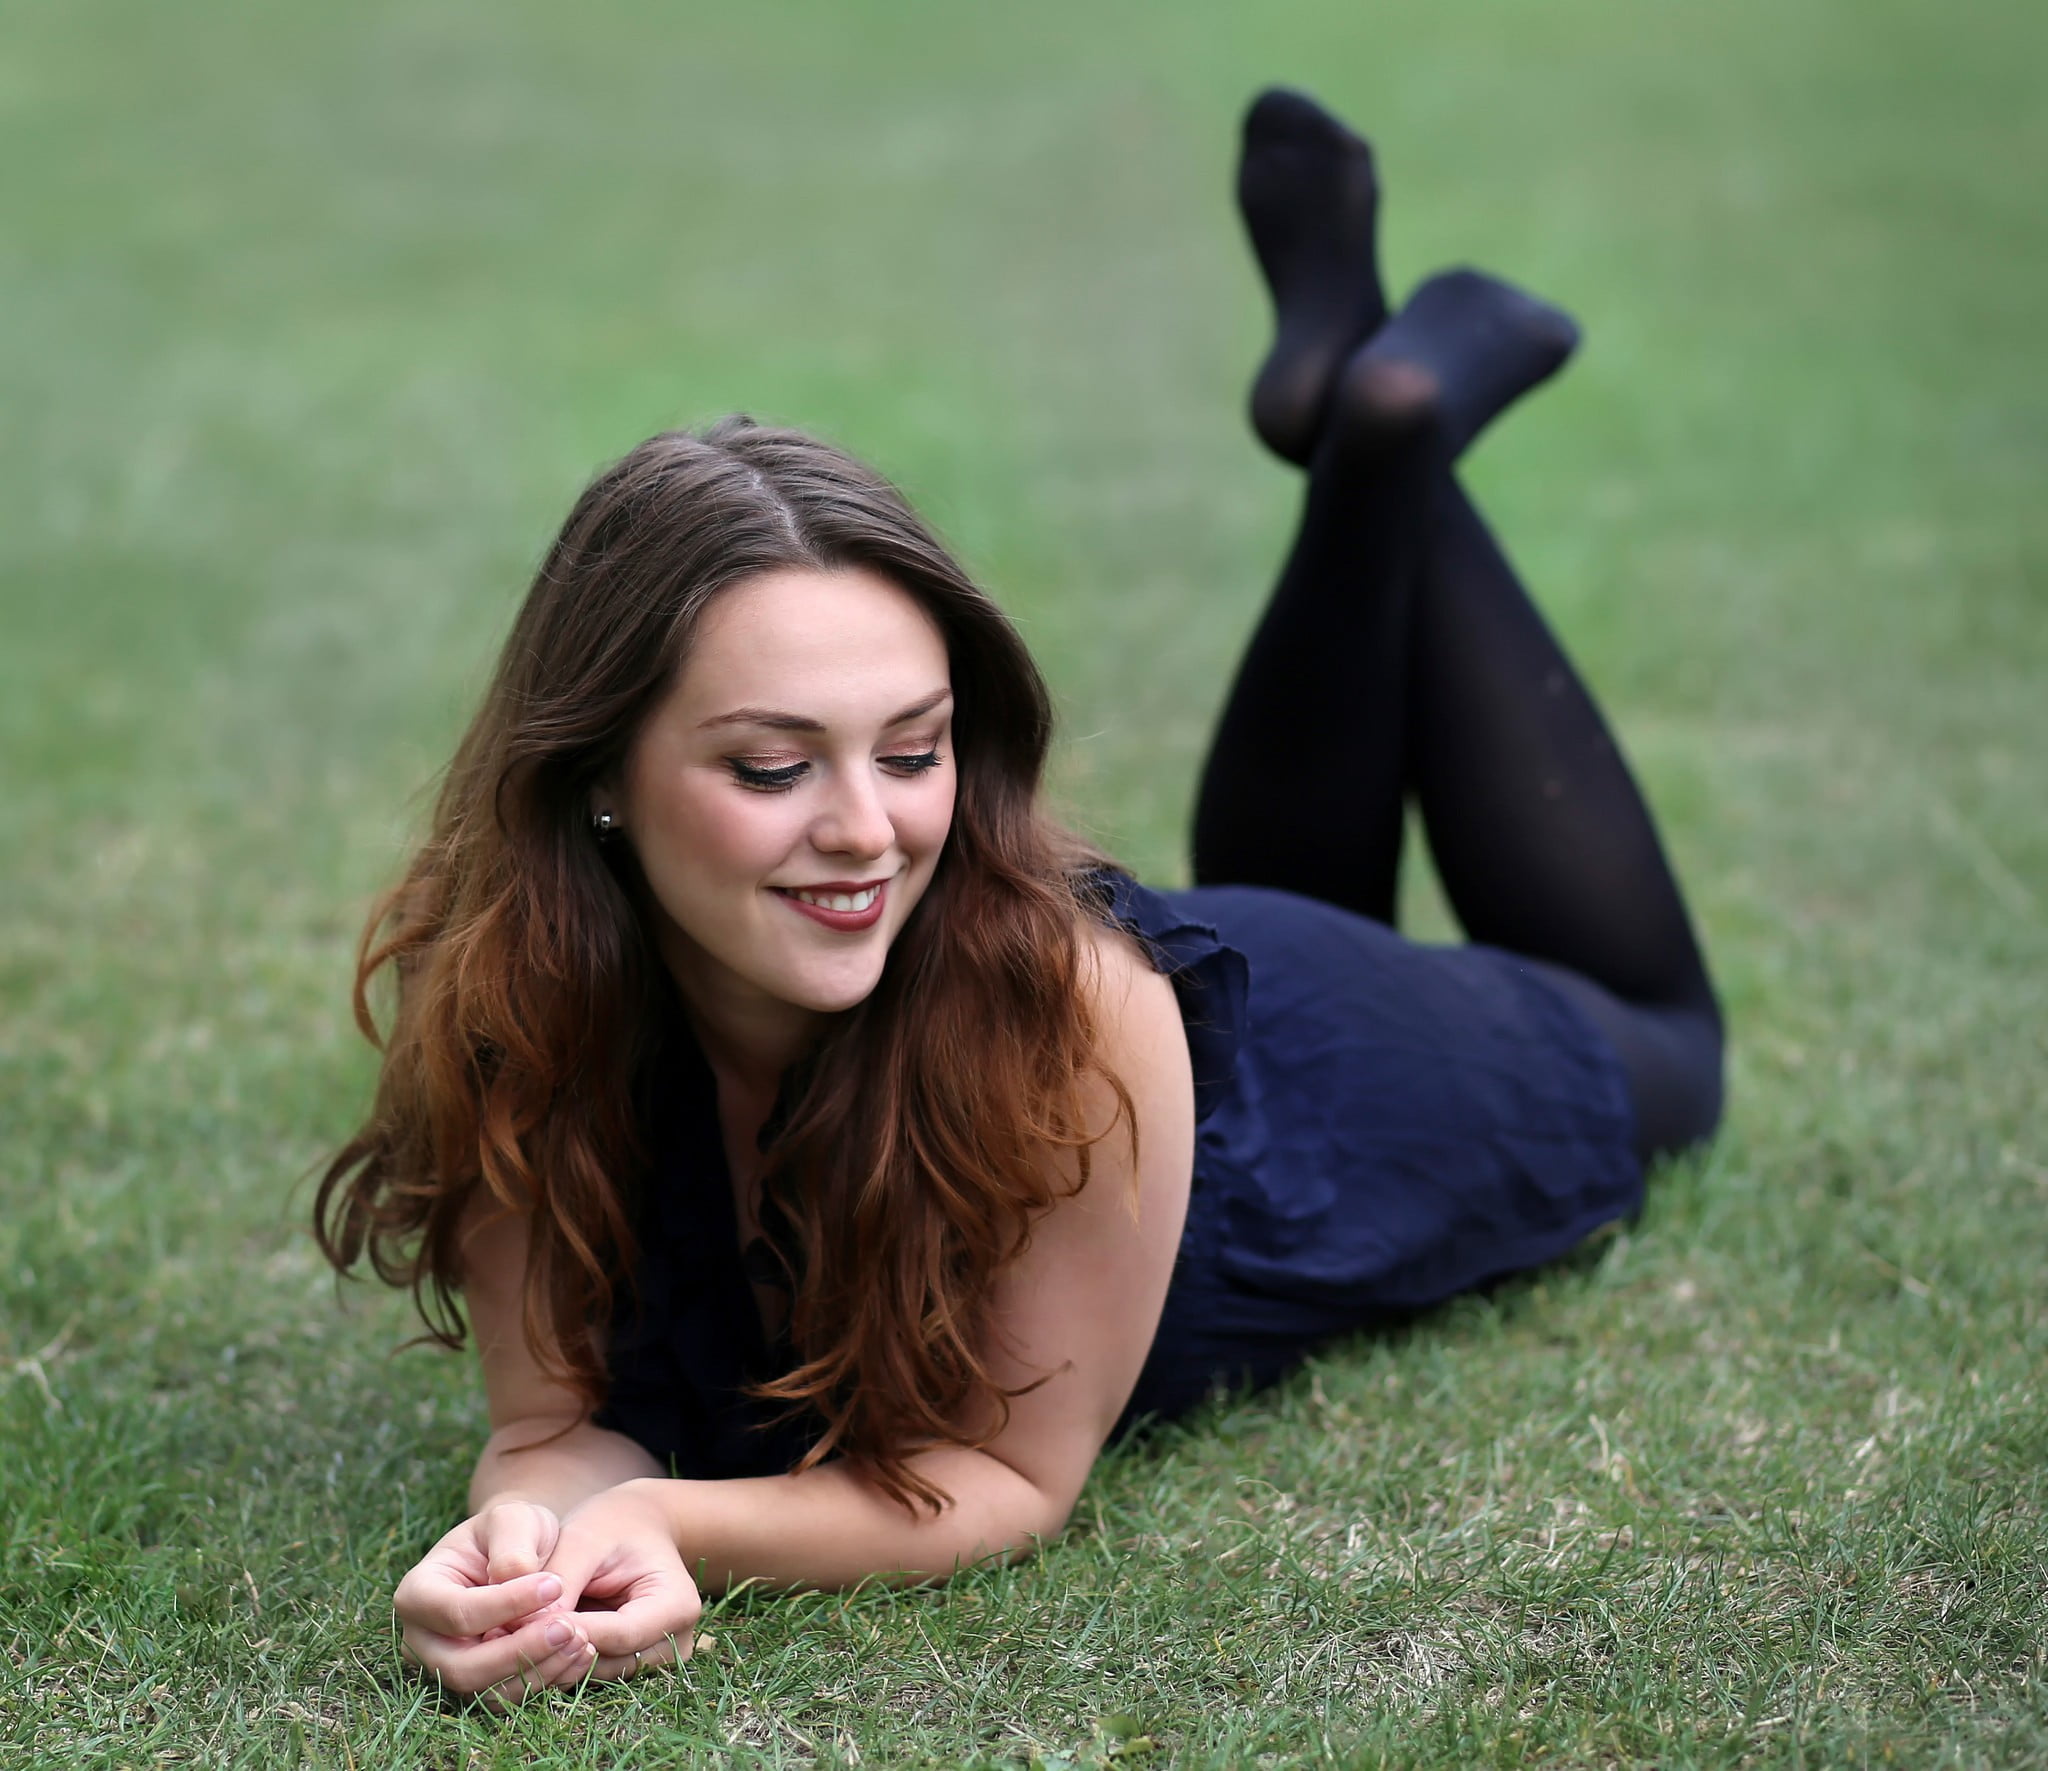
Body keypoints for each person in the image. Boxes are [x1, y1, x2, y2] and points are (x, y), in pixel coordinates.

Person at [315, 89, 1723, 1707]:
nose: (866, 832)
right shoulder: (517, 995)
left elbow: (1008, 1480)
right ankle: (1359, 408)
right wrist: (515, 1552)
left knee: (1670, 1047)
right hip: (1161, 1066)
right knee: (1272, 889)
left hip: (1334, 1094)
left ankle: (1394, 432)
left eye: (913, 751)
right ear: (599, 780)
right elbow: (555, 1424)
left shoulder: (1064, 998)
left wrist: (662, 1519)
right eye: (773, 769)